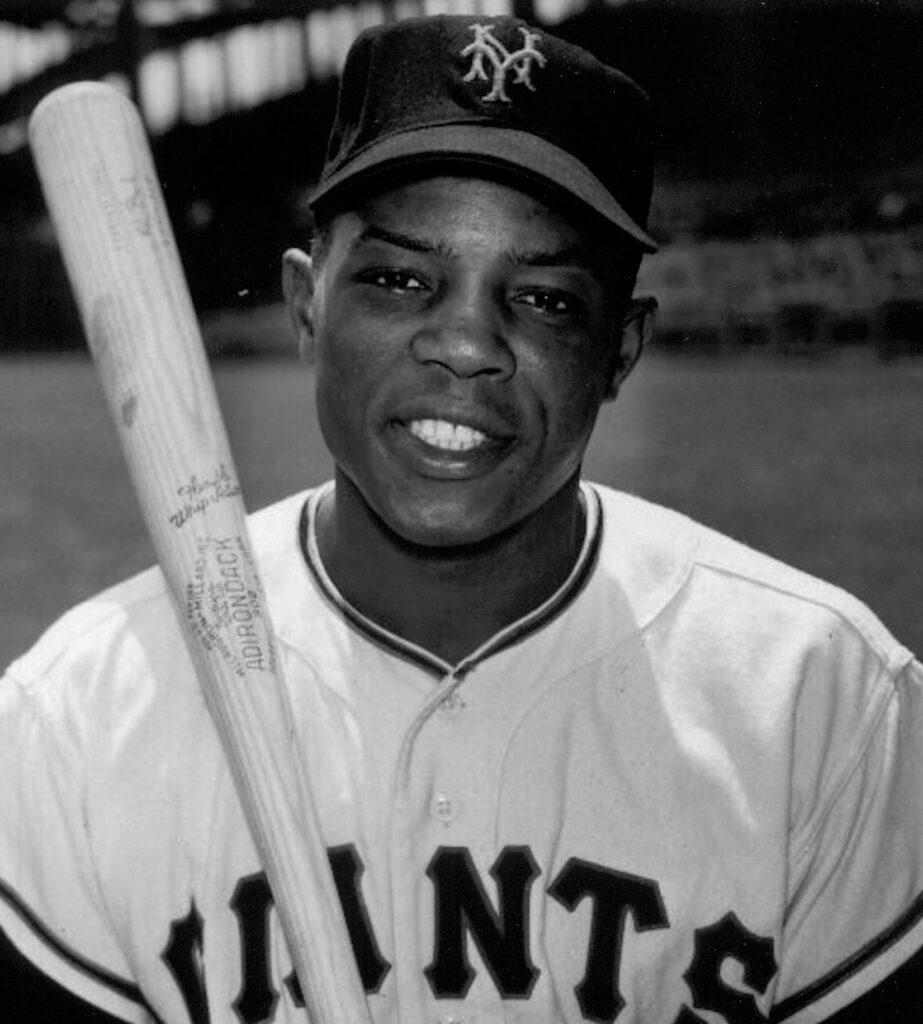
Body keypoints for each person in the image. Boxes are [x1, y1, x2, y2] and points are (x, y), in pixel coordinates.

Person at [1, 14, 921, 1024]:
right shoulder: (75, 717)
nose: (463, 343)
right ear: (307, 303)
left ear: (621, 348)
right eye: (398, 279)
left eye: (544, 299)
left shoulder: (822, 704)